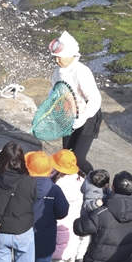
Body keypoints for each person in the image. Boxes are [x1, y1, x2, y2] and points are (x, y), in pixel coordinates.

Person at [49, 31, 103, 175]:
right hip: (69, 114)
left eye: (59, 57)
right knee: (67, 155)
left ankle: (96, 181)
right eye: (54, 57)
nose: (56, 61)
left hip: (88, 115)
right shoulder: (58, 71)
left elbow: (95, 99)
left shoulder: (81, 72)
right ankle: (71, 181)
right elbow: (56, 90)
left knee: (78, 158)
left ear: (71, 55)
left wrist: (83, 117)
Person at [25, 150, 69, 262]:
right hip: (46, 234)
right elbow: (62, 211)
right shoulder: (54, 190)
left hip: (24, 233)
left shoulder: (23, 186)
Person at [70, 168, 110, 262]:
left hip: (91, 224)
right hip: (88, 226)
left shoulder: (89, 183)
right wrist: (96, 204)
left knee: (85, 248)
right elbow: (87, 206)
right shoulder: (92, 195)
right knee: (83, 248)